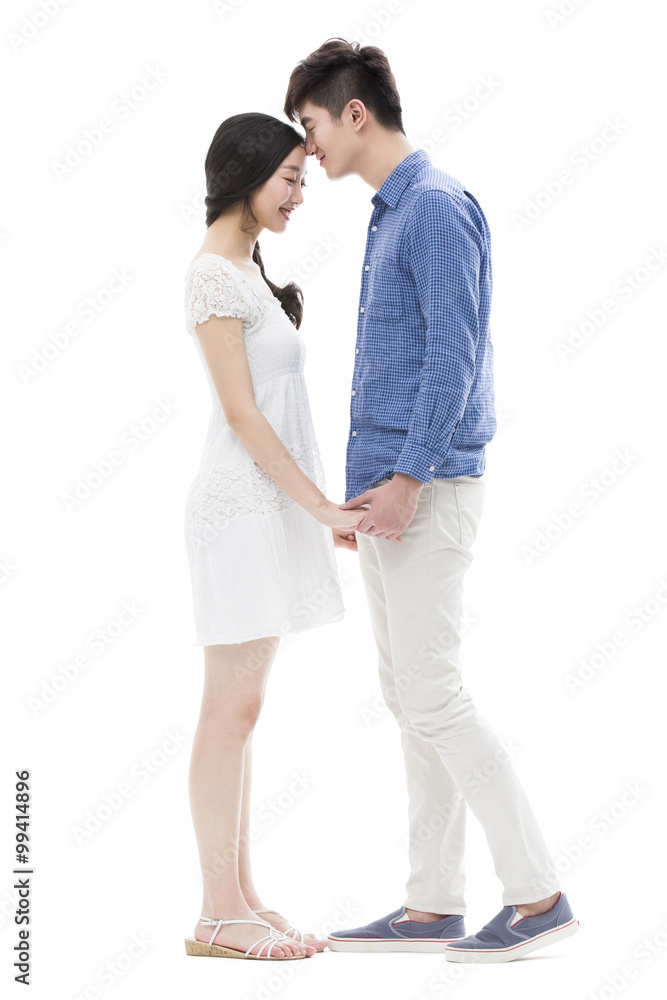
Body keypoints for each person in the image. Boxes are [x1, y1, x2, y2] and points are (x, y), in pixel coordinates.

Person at [282, 38, 579, 963]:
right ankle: (432, 904)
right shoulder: (388, 215)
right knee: (408, 697)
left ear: (354, 113)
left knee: (433, 693)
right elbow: (401, 365)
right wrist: (362, 495)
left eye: (312, 125)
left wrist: (405, 480)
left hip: (431, 486)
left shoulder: (438, 209)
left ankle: (537, 897)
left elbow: (455, 357)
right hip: (390, 491)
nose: (309, 148)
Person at [182, 112, 366, 961]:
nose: (301, 192)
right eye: (289, 177)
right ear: (247, 172)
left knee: (243, 710)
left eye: (302, 175)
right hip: (235, 511)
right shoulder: (214, 276)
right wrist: (321, 508)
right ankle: (217, 912)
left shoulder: (248, 272)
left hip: (262, 507)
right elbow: (244, 417)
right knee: (231, 708)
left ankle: (242, 897)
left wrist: (307, 509)